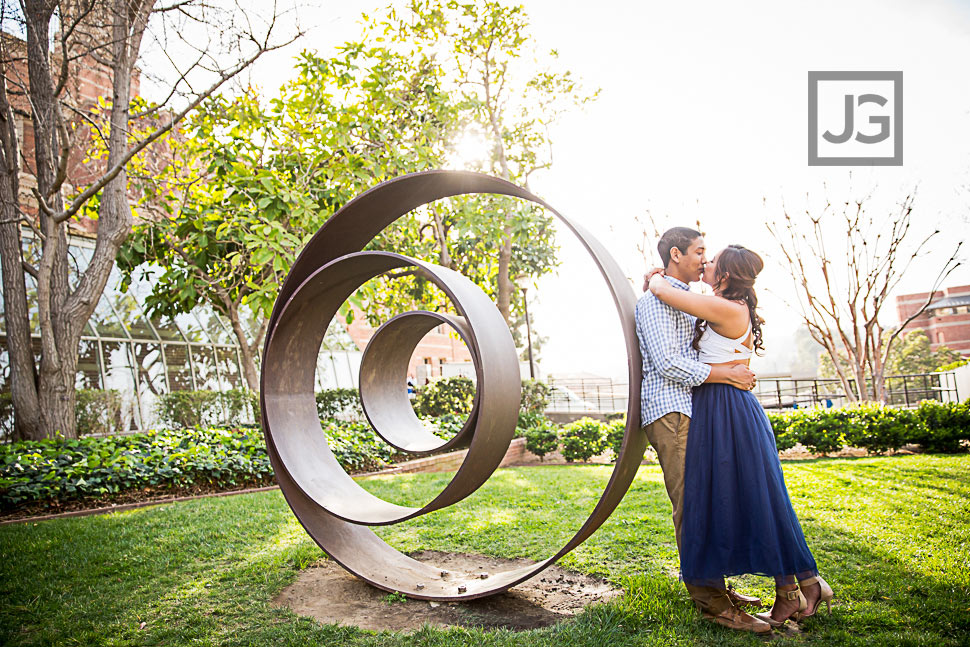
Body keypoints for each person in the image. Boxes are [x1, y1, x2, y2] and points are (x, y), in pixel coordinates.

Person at [647, 243, 834, 632]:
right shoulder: (723, 304)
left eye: (711, 260)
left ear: (727, 275)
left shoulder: (728, 308)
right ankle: (799, 586)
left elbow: (664, 292)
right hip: (721, 406)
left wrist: (654, 276)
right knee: (756, 496)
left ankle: (800, 586)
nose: (705, 263)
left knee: (758, 497)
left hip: (728, 409)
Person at [635, 227, 767, 633]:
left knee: (705, 500)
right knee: (691, 504)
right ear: (677, 254)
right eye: (699, 252)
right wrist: (724, 374)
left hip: (690, 408)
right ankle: (710, 601)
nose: (705, 260)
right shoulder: (653, 304)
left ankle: (716, 587)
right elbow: (668, 364)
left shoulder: (681, 297)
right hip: (670, 410)